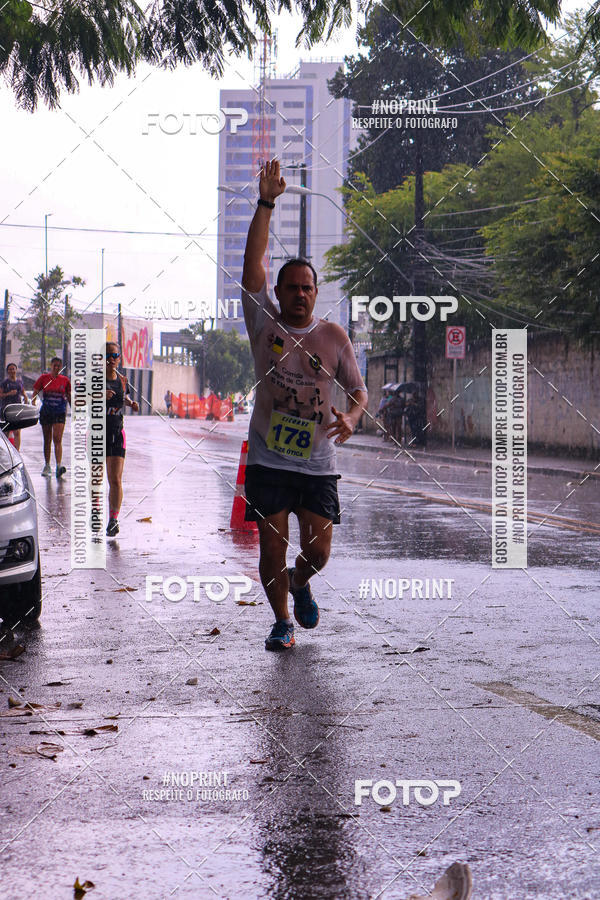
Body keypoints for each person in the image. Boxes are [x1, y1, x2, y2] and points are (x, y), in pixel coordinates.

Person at [241, 159, 368, 652]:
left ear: (317, 294)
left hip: (317, 462)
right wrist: (267, 203)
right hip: (269, 459)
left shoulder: (334, 337)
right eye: (290, 286)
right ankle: (280, 622)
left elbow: (358, 391)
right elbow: (252, 266)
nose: (299, 293)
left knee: (318, 551)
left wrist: (352, 419)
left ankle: (301, 580)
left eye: (307, 287)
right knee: (271, 543)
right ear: (278, 292)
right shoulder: (263, 325)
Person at [105, 342, 139, 536]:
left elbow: (123, 397)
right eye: (107, 355)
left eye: (114, 355)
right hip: (98, 434)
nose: (111, 359)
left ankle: (113, 520)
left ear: (119, 358)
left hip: (117, 433)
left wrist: (130, 403)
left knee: (115, 479)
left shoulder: (122, 380)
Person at [31, 357, 71, 477]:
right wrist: (33, 404)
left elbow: (69, 396)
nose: (57, 367)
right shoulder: (44, 378)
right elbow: (35, 392)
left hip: (59, 412)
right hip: (46, 412)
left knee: (57, 439)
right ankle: (47, 465)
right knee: (47, 439)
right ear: (51, 365)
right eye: (55, 365)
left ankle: (59, 466)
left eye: (59, 366)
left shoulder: (65, 380)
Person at [0, 363, 29, 451]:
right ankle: (6, 452)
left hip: (17, 409)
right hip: (6, 409)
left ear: (16, 370)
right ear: (7, 371)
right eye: (10, 369)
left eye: (13, 369)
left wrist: (25, 397)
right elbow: (0, 394)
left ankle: (17, 452)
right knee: (6, 432)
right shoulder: (4, 383)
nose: (12, 371)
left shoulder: (19, 381)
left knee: (17, 432)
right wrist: (9, 393)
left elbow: (22, 391)